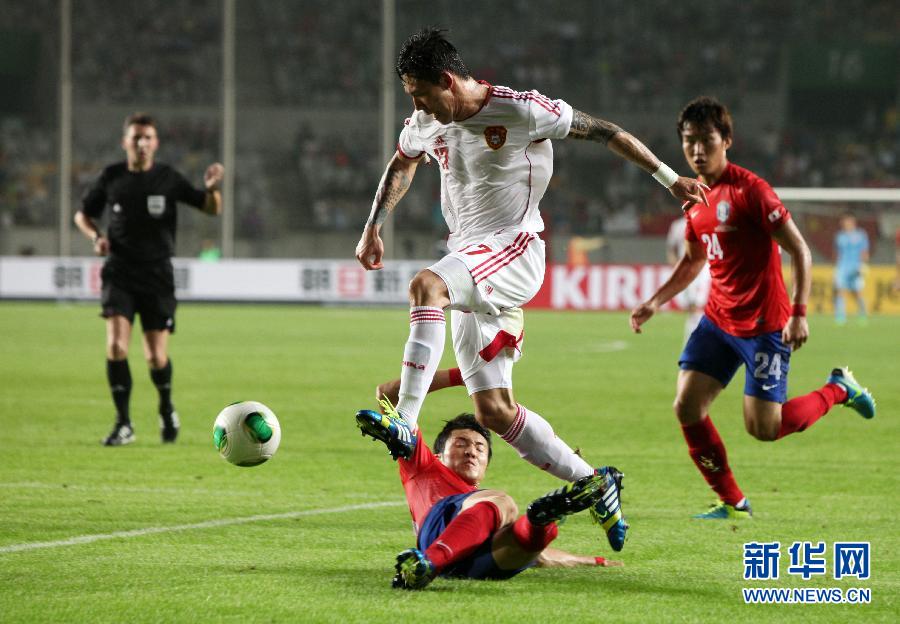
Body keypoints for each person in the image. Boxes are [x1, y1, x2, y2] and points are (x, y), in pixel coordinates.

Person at [354, 28, 708, 550]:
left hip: (514, 248)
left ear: (447, 81)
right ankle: (596, 481)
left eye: (419, 92)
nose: (415, 103)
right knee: (494, 410)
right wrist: (373, 224)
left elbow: (605, 131)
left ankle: (405, 422)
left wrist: (668, 178)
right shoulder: (429, 120)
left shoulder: (521, 111)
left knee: (427, 285)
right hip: (473, 256)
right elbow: (403, 160)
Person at [629, 97, 876, 519]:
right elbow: (692, 261)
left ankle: (839, 389)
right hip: (718, 320)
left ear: (727, 140)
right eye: (689, 142)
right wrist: (655, 300)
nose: (697, 150)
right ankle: (733, 503)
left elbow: (800, 249)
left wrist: (799, 313)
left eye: (707, 140)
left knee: (764, 428)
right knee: (686, 406)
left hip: (764, 325)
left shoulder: (752, 191)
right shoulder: (693, 199)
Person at [74, 113, 224, 446]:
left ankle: (166, 407)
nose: (141, 143)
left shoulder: (168, 178)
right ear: (125, 142)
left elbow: (210, 209)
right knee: (115, 346)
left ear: (155, 143)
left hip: (157, 275)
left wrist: (213, 191)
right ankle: (123, 423)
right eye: (136, 137)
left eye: (148, 138)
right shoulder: (111, 177)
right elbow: (82, 214)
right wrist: (95, 237)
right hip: (119, 272)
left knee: (155, 357)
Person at [355, 408, 622, 589]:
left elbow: (542, 558)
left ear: (486, 464)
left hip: (461, 565)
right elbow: (390, 395)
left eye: (480, 448)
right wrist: (463, 376)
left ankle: (542, 521)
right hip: (436, 531)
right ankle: (430, 562)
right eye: (461, 444)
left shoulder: (481, 500)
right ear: (438, 455)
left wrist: (590, 561)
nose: (472, 451)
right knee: (503, 503)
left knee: (526, 546)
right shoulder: (422, 465)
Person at [666, 215, 710, 342]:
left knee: (699, 306)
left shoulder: (705, 220)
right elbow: (671, 249)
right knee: (692, 308)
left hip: (702, 269)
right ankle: (693, 342)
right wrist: (675, 267)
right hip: (686, 269)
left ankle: (695, 343)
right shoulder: (677, 225)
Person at [833, 213, 869, 325]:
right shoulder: (840, 236)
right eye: (844, 221)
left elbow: (864, 252)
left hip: (856, 266)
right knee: (840, 290)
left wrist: (862, 266)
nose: (846, 223)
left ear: (853, 222)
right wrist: (836, 267)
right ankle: (840, 316)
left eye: (848, 221)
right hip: (843, 267)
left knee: (857, 292)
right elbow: (838, 253)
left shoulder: (861, 235)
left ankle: (863, 314)